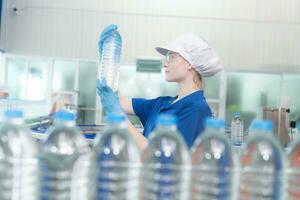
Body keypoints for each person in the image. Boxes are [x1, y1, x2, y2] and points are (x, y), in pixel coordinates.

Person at [97, 31, 223, 149]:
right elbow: (115, 101)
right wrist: (108, 63)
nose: (165, 64)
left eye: (172, 57)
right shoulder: (162, 103)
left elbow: (162, 157)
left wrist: (119, 117)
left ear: (190, 64)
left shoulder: (196, 109)